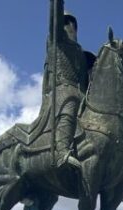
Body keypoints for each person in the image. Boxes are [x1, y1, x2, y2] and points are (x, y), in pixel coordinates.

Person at [45, 0, 90, 170]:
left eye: (72, 23)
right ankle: (62, 152)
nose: (70, 26)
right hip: (63, 89)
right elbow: (55, 17)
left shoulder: (82, 54)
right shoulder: (57, 40)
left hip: (82, 93)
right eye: (66, 22)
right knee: (69, 104)